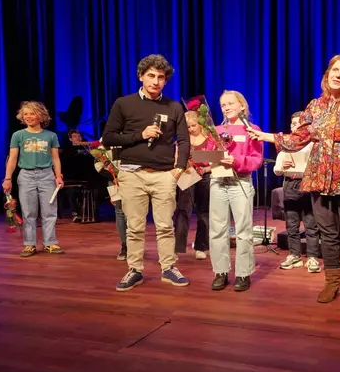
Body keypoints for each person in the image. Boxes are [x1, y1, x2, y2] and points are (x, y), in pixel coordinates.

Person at [248, 54, 340, 309]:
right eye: (334, 69)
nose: (338, 74)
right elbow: (298, 138)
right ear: (327, 74)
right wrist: (265, 136)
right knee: (327, 234)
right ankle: (331, 282)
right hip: (320, 177)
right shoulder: (316, 106)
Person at [102, 54, 190, 292]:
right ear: (141, 76)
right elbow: (108, 138)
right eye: (151, 76)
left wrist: (178, 170)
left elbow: (184, 140)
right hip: (132, 174)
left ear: (166, 80)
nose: (156, 81)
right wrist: (139, 135)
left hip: (164, 175)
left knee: (165, 226)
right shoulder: (124, 103)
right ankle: (135, 270)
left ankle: (168, 268)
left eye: (161, 77)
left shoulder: (173, 107)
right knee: (135, 227)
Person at [210, 90, 264, 292]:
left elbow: (256, 159)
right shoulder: (215, 130)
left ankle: (243, 273)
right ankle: (220, 271)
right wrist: (208, 158)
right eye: (223, 105)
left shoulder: (252, 130)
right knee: (217, 230)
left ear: (242, 105)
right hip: (217, 182)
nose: (227, 107)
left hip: (240, 182)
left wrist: (237, 161)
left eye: (231, 103)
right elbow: (207, 156)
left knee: (243, 230)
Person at [2, 101, 65, 257]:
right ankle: (29, 244)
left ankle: (50, 243)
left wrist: (58, 176)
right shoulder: (18, 135)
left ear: (41, 115)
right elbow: (13, 158)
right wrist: (7, 178)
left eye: (32, 113)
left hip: (47, 175)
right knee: (29, 212)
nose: (28, 117)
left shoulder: (51, 136)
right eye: (25, 114)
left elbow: (55, 158)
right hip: (26, 175)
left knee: (49, 211)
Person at [274, 111, 321, 273]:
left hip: (308, 185)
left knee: (311, 224)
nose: (294, 127)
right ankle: (294, 255)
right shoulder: (285, 146)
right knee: (291, 224)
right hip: (290, 185)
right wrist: (282, 167)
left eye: (298, 124)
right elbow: (276, 170)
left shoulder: (311, 145)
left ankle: (313, 257)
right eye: (292, 124)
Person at [173, 110, 214, 260]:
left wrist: (205, 169)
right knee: (183, 211)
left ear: (200, 123)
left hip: (205, 176)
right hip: (187, 176)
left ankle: (201, 246)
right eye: (187, 127)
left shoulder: (210, 140)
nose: (190, 129)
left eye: (193, 125)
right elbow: (177, 160)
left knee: (204, 212)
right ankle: (177, 247)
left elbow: (216, 162)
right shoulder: (182, 141)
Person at [91, 139, 127, 261]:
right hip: (114, 180)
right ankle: (125, 246)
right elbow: (98, 164)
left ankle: (135, 245)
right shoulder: (106, 138)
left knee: (135, 213)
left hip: (133, 178)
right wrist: (113, 176)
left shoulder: (134, 133)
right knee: (120, 212)